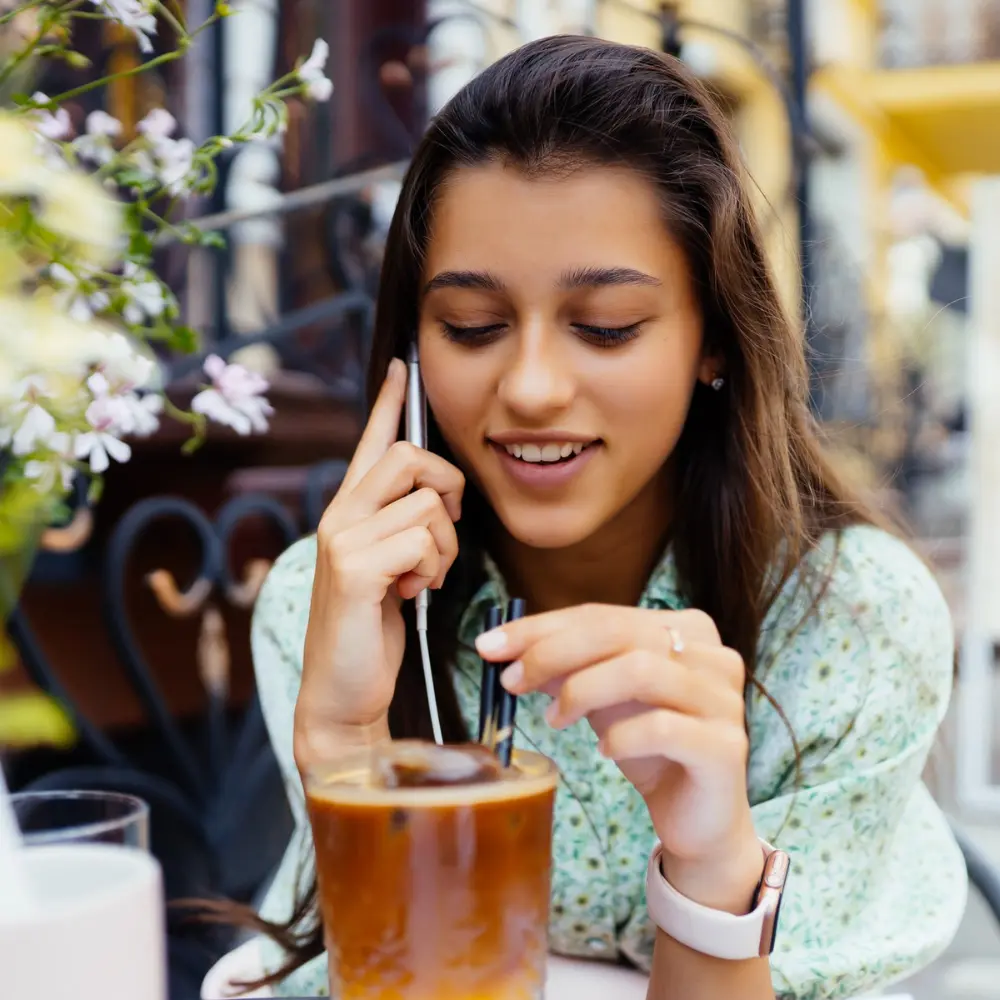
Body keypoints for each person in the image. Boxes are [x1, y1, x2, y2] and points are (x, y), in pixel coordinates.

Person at [248, 35, 966, 999]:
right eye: (472, 327)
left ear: (712, 336)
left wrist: (714, 865)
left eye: (606, 327)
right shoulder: (331, 605)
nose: (534, 388)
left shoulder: (852, 623)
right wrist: (346, 748)